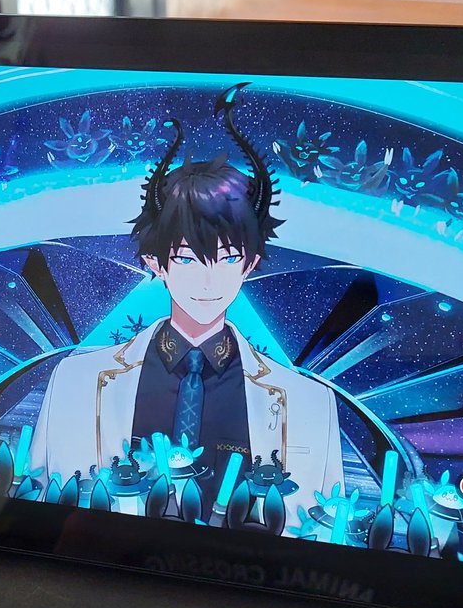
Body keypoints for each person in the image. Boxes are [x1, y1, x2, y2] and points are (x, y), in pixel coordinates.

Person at [29, 84, 344, 506]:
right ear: (156, 263)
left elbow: (320, 525)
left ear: (250, 264)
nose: (208, 282)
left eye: (228, 259)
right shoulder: (75, 380)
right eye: (187, 259)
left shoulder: (311, 403)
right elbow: (38, 501)